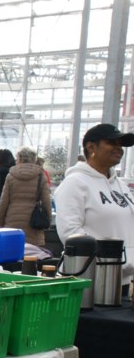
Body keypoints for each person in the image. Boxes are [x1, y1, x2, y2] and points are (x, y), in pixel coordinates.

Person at [54, 123, 134, 287]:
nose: (119, 148)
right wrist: (105, 262)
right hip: (92, 280)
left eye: (121, 145)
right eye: (112, 143)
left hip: (124, 278)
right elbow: (71, 233)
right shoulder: (74, 183)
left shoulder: (121, 185)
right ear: (91, 147)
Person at [0, 145, 51, 248]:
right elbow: (46, 201)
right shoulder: (40, 176)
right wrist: (47, 220)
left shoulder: (11, 176)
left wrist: (0, 224)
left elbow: (3, 202)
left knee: (12, 253)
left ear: (19, 158)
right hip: (34, 222)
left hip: (12, 221)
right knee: (32, 256)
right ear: (34, 159)